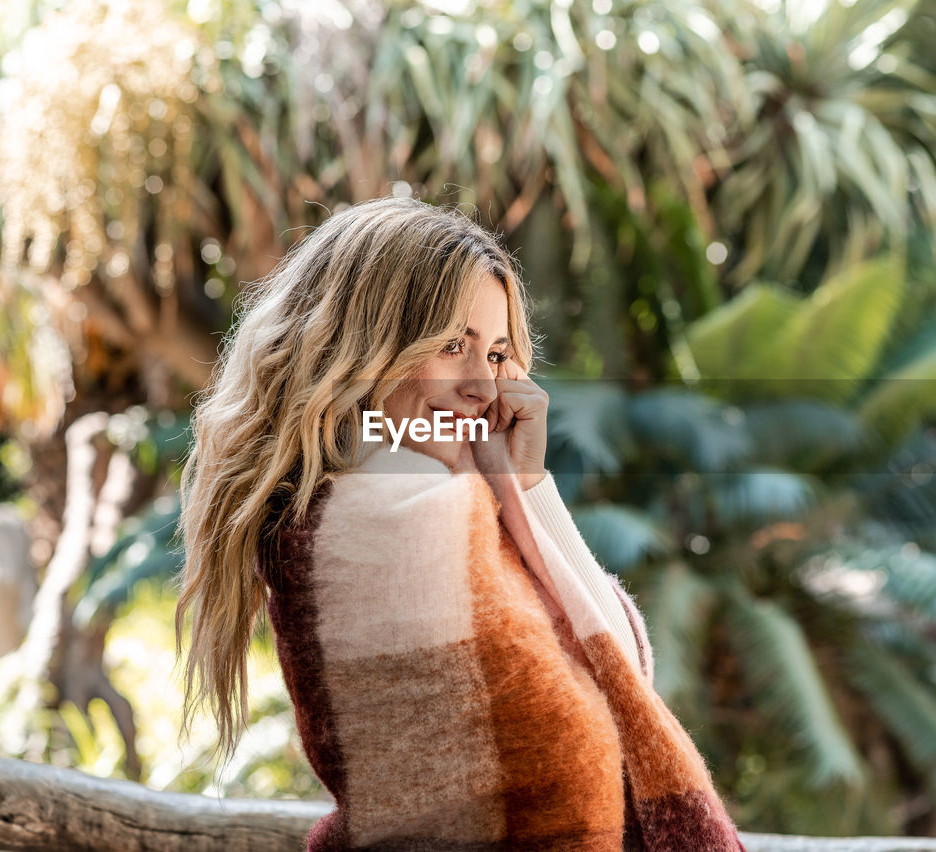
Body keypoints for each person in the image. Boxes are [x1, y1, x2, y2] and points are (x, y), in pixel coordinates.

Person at [174, 195, 748, 850]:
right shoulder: (380, 520)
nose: (483, 385)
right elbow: (584, 716)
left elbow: (618, 672)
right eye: (452, 346)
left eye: (499, 354)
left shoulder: (450, 501)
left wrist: (527, 486)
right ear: (362, 346)